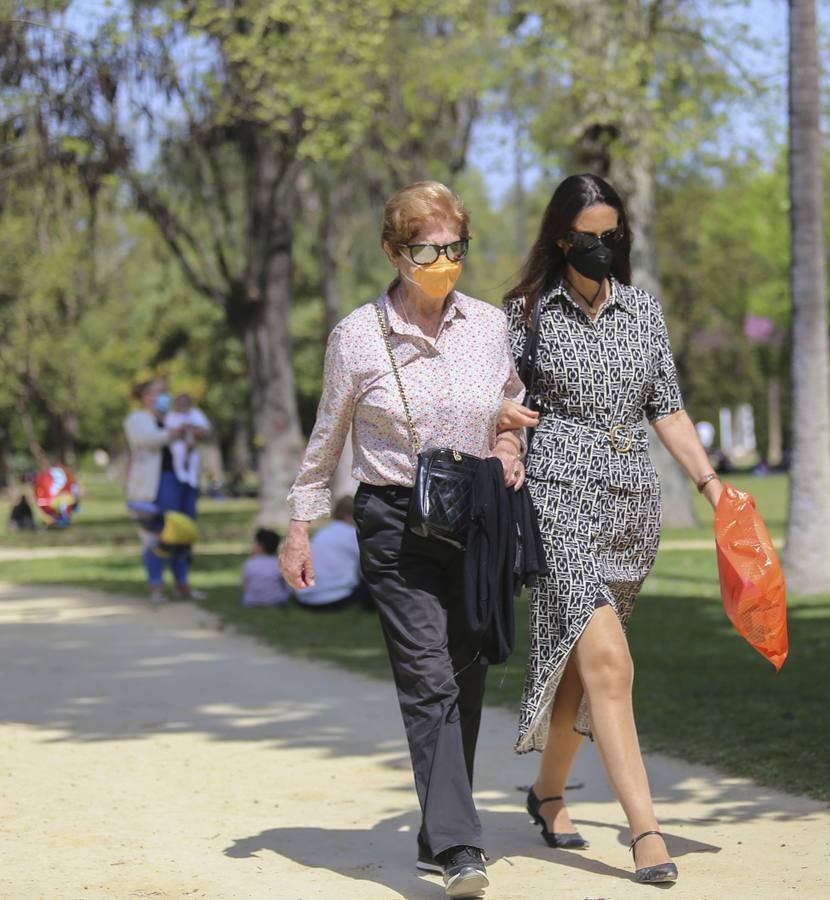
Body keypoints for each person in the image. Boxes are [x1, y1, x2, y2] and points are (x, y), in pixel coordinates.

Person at [280, 181, 524, 899]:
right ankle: (458, 845)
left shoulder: (487, 325)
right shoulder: (357, 336)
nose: (444, 259)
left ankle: (433, 827)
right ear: (393, 251)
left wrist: (510, 448)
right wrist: (300, 527)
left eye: (455, 246)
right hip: (394, 521)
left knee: (467, 668)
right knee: (428, 678)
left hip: (477, 516)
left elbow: (509, 405)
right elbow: (326, 441)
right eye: (426, 248)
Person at [498, 174, 724, 887]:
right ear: (562, 238)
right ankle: (646, 831)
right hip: (556, 497)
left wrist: (712, 486)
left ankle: (548, 793)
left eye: (612, 236)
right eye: (588, 237)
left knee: (579, 660)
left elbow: (668, 407)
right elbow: (499, 403)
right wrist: (504, 432)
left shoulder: (643, 312)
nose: (602, 248)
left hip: (631, 503)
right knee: (610, 663)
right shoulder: (525, 315)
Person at [125, 379, 204, 604]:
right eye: (159, 392)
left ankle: (182, 583)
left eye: (165, 392)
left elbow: (195, 436)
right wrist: (174, 434)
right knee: (159, 534)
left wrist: (190, 435)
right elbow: (148, 440)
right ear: (146, 396)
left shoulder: (175, 418)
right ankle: (156, 585)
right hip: (157, 484)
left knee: (184, 532)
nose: (164, 396)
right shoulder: (137, 419)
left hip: (183, 482)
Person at [292, 496, 370, 612]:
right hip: (337, 597)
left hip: (306, 597)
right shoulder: (351, 534)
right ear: (350, 516)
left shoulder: (322, 532)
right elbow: (367, 565)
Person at [163, 393, 210, 519]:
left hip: (192, 445)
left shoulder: (195, 413)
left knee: (194, 459)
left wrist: (190, 429)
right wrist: (184, 431)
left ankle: (192, 476)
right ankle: (181, 472)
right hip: (178, 445)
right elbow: (170, 431)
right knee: (179, 454)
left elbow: (204, 429)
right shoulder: (172, 415)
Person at [242, 528, 290, 608]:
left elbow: (244, 586)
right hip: (276, 601)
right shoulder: (279, 564)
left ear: (260, 546)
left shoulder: (249, 563)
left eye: (254, 543)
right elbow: (286, 584)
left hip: (252, 601)